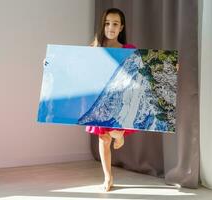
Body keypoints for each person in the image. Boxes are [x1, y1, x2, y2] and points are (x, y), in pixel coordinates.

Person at [86, 8, 139, 192]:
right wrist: (51, 62)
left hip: (121, 98)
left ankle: (119, 133)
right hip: (100, 98)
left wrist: (170, 67)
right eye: (107, 23)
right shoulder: (94, 48)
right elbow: (74, 66)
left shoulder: (128, 49)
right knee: (103, 139)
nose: (111, 27)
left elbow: (143, 69)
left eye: (115, 24)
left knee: (114, 131)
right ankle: (108, 177)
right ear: (103, 25)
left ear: (121, 27)